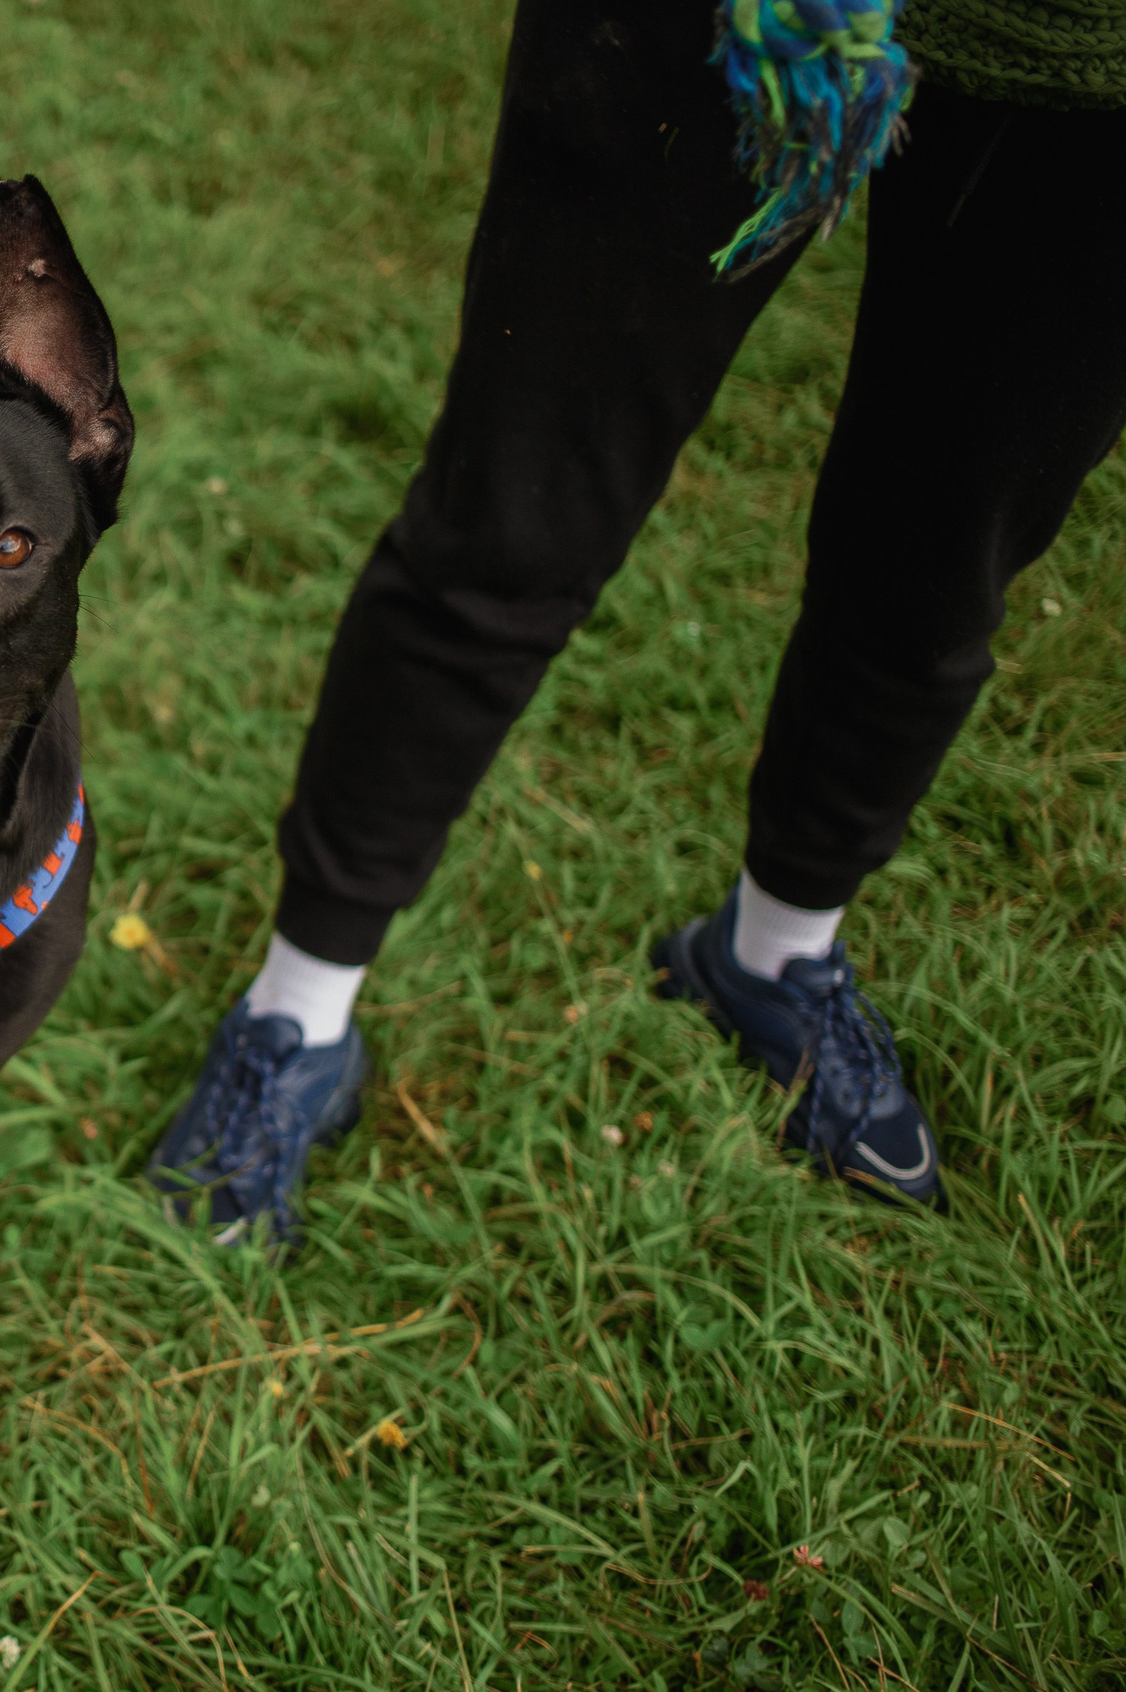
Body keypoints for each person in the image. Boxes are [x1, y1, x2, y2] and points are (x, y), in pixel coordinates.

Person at [148, 0, 1126, 1241]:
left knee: (943, 557)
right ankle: (296, 1015)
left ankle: (772, 956)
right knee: (513, 517)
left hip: (1096, 78)